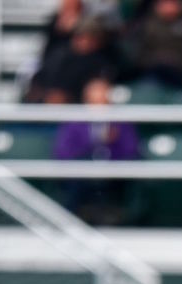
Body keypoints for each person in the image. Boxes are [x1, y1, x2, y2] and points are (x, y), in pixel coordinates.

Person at [53, 75, 141, 222]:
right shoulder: (74, 123)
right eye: (94, 102)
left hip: (114, 178)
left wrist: (112, 146)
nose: (99, 107)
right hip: (81, 177)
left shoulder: (122, 123)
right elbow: (63, 153)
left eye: (103, 102)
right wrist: (94, 145)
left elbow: (132, 152)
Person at [25, 17, 118, 103]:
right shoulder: (59, 56)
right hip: (49, 105)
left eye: (92, 38)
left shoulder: (101, 61)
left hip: (80, 108)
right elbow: (43, 84)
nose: (86, 42)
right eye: (82, 37)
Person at [125, 0, 182, 88]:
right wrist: (159, 60)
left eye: (172, 2)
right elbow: (136, 57)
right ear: (156, 6)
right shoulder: (145, 26)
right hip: (152, 75)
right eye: (165, 3)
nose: (169, 6)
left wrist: (176, 61)